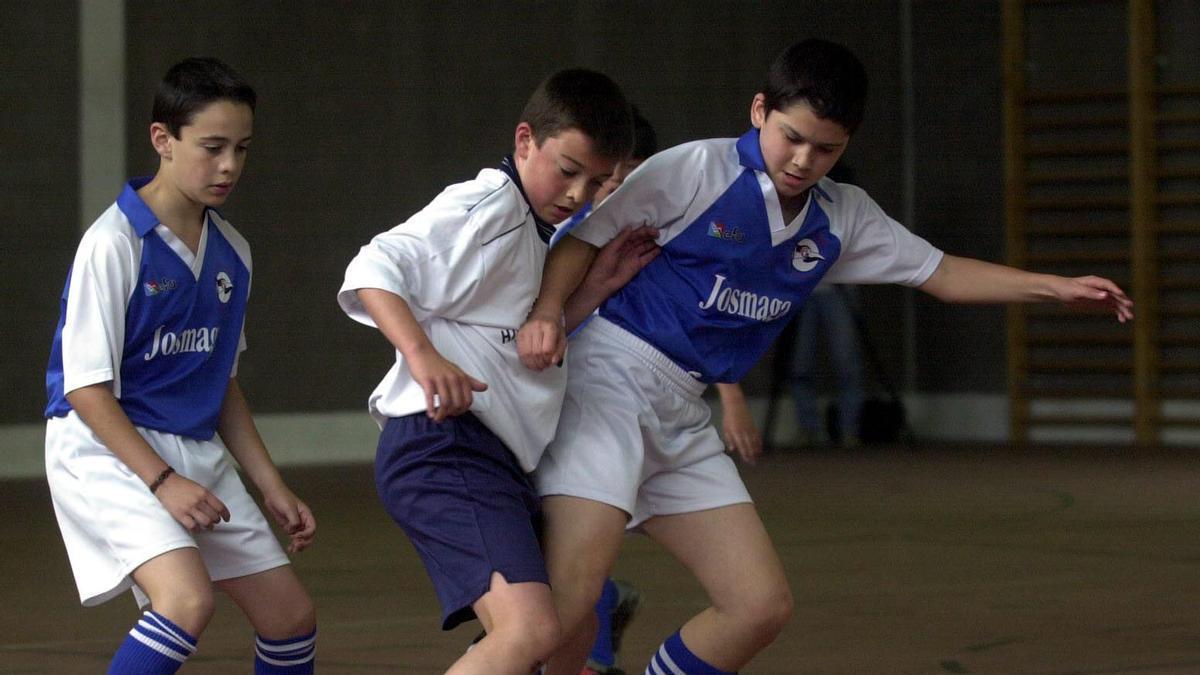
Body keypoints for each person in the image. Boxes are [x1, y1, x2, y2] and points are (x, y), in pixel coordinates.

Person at [517, 38, 1132, 674]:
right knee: (572, 601)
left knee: (758, 607)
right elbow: (580, 240)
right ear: (759, 111)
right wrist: (544, 315)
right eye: (793, 137)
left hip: (680, 406)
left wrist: (1055, 288)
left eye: (827, 149)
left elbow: (942, 273)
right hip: (608, 383)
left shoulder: (843, 217)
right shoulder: (694, 170)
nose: (804, 160)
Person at [337, 68, 641, 674]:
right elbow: (371, 267)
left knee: (574, 622)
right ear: (525, 140)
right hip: (444, 448)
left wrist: (588, 294)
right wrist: (422, 357)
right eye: (568, 169)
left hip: (494, 458)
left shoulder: (533, 230)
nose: (579, 193)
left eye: (598, 181)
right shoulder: (488, 208)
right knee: (529, 629)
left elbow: (508, 338)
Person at [44, 57, 317, 674]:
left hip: (190, 448)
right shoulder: (113, 243)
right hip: (106, 447)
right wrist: (163, 481)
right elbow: (86, 388)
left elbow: (219, 383)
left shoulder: (232, 251)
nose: (229, 166)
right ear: (162, 140)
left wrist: (271, 485)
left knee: (290, 617)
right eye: (213, 147)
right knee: (185, 601)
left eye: (242, 149)